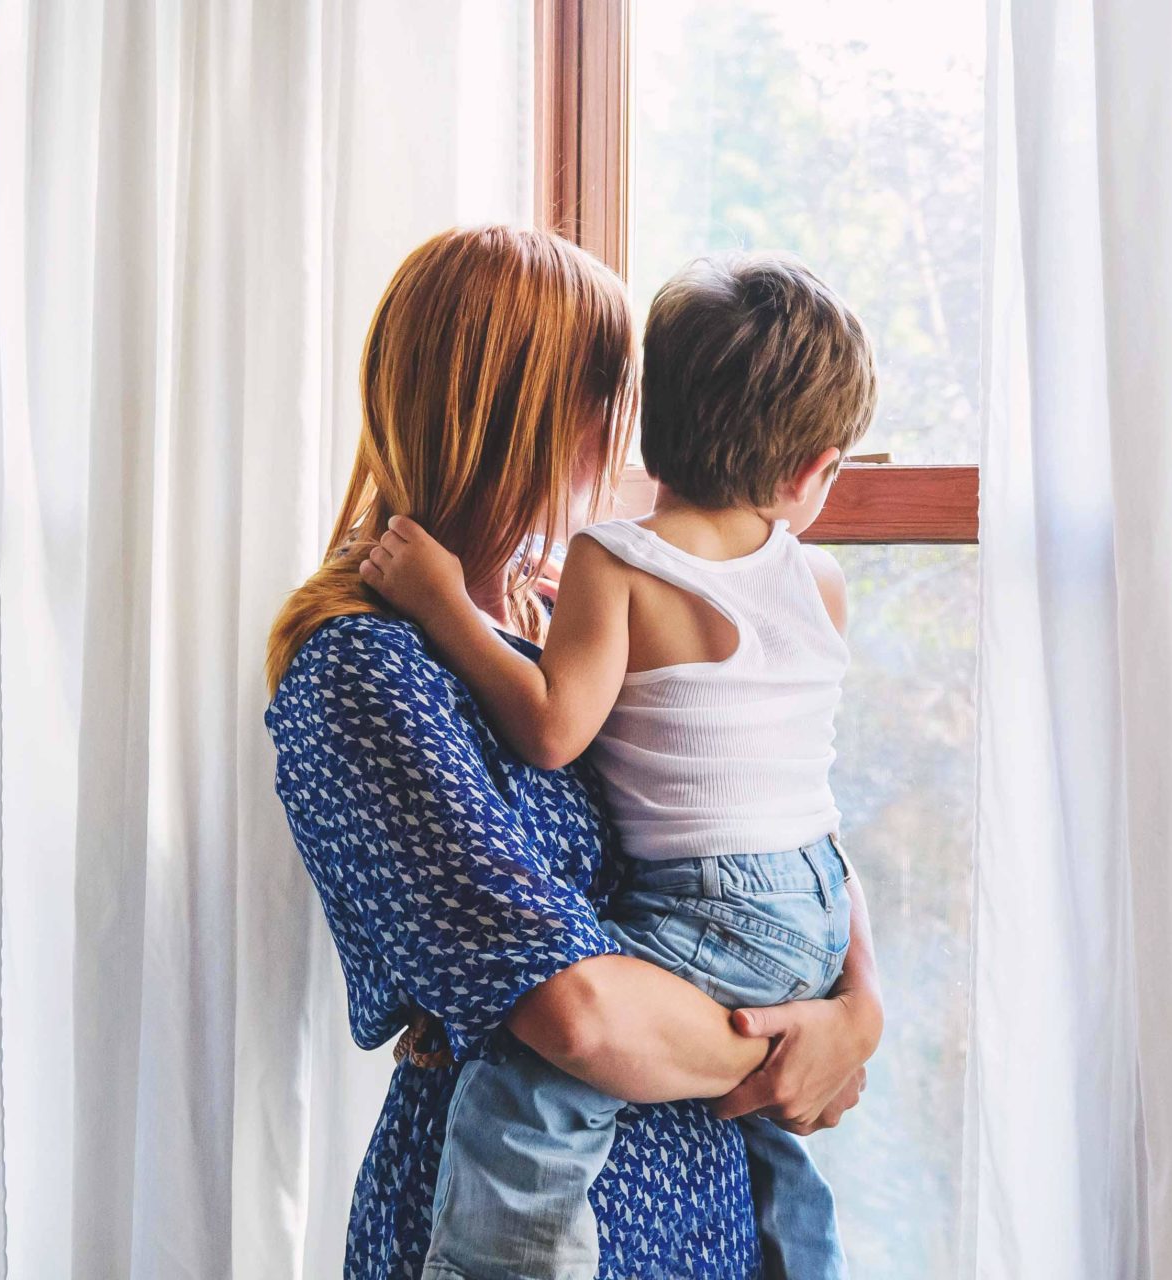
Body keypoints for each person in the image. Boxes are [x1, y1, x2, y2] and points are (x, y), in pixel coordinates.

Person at [265, 227, 883, 1280]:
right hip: (529, 1216)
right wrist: (796, 1046)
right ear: (523, 413)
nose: (627, 428)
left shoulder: (563, 612)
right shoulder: (364, 667)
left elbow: (765, 803)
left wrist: (859, 1005)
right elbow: (574, 1009)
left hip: (693, 1200)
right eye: (607, 391)